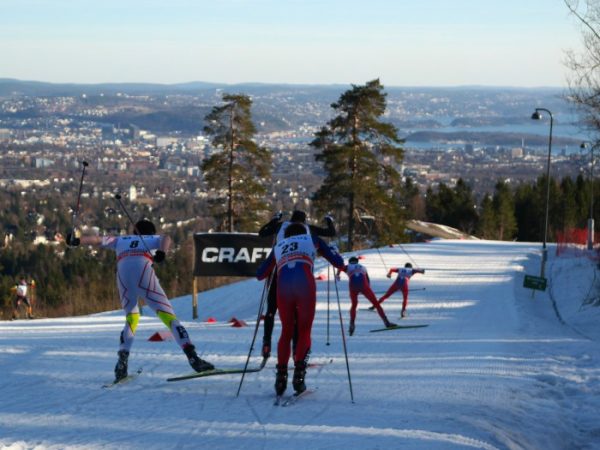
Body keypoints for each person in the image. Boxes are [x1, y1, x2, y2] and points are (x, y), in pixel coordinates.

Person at [69, 219, 214, 382]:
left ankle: (122, 361)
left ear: (134, 231)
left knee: (132, 316)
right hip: (143, 274)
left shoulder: (120, 240)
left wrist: (76, 240)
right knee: (169, 317)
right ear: (150, 232)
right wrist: (162, 252)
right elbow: (166, 238)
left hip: (123, 276)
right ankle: (193, 357)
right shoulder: (149, 239)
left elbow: (96, 239)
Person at [256, 222, 344, 397]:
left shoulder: (278, 245)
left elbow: (260, 275)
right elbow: (338, 263)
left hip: (283, 286)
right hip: (304, 283)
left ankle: (281, 378)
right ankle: (299, 376)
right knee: (304, 330)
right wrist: (332, 251)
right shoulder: (312, 239)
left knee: (286, 331)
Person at [257, 210, 336, 360]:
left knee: (271, 310)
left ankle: (266, 343)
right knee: (295, 315)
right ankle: (296, 349)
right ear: (303, 221)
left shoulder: (281, 226)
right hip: (300, 276)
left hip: (277, 272)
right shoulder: (308, 229)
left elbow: (262, 233)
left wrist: (274, 220)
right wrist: (329, 220)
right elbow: (331, 232)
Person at [336, 256, 396, 335]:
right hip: (365, 287)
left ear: (350, 262)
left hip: (353, 287)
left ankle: (352, 324)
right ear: (357, 262)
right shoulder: (363, 267)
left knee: (354, 305)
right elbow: (367, 279)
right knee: (376, 304)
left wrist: (337, 275)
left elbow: (340, 266)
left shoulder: (348, 267)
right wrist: (366, 290)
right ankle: (387, 322)